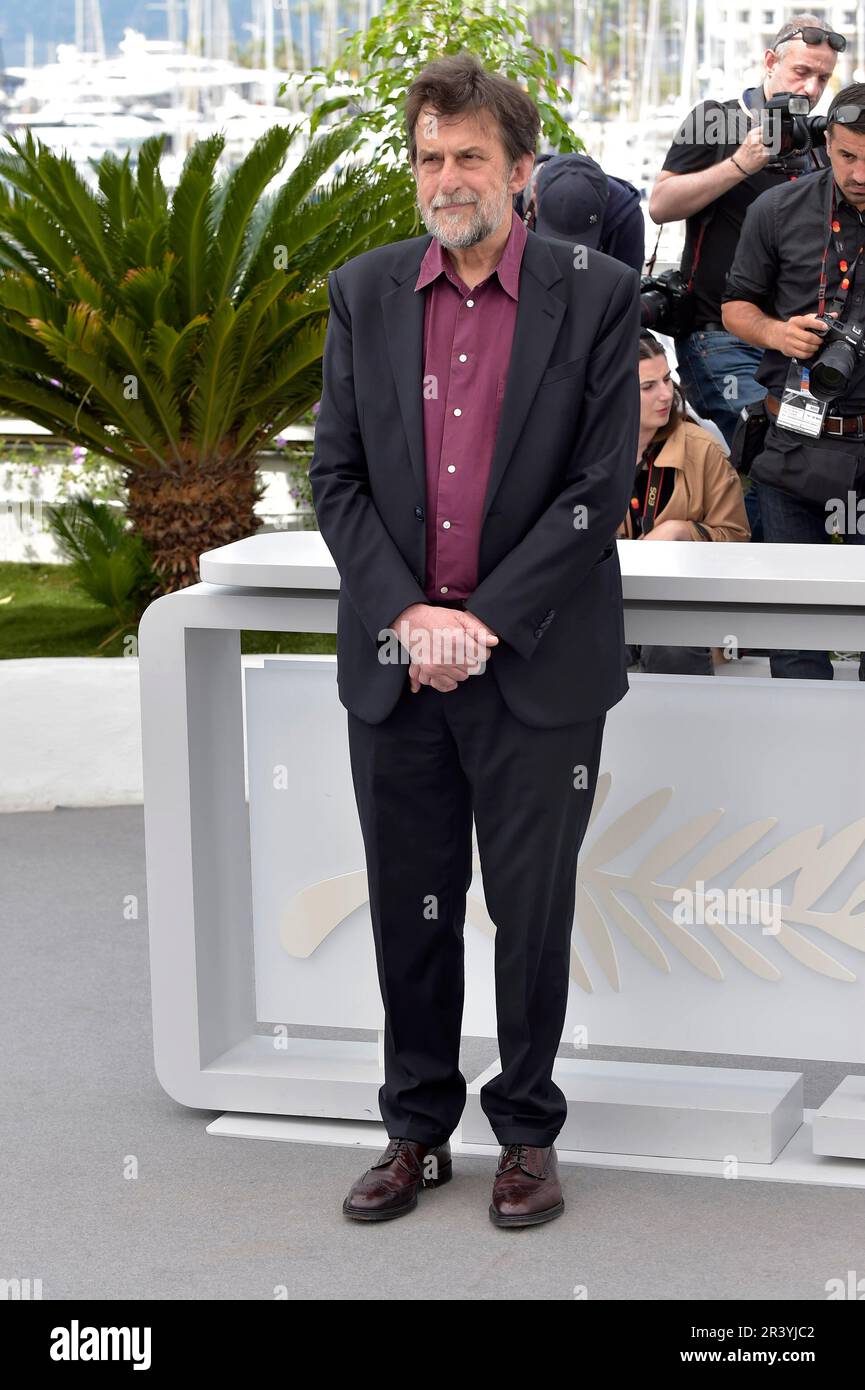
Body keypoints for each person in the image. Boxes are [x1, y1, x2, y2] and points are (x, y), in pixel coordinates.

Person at [309, 53, 640, 1228]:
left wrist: (481, 621)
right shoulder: (362, 291)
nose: (446, 178)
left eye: (469, 158)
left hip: (537, 670)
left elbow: (598, 492)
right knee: (413, 902)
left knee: (530, 909)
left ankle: (528, 1134)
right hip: (398, 671)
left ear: (521, 171)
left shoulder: (595, 294)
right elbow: (335, 482)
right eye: (428, 157)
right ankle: (414, 1129)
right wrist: (410, 616)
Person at [650, 13, 842, 541]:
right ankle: (754, 581)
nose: (811, 87)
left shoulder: (820, 139)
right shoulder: (717, 118)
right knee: (770, 447)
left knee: (807, 450)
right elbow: (661, 204)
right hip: (720, 333)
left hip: (796, 342)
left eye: (824, 78)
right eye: (802, 71)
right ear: (769, 62)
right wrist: (741, 163)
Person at [722, 82, 865, 681]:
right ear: (827, 143)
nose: (861, 173)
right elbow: (734, 308)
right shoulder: (775, 210)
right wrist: (778, 335)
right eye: (849, 155)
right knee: (794, 634)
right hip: (794, 442)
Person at [619, 331, 751, 675]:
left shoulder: (701, 447)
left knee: (670, 646)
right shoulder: (586, 450)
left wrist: (683, 532)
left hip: (679, 600)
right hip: (607, 598)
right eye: (648, 387)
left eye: (667, 380)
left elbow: (738, 541)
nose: (666, 395)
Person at [517, 150, 645, 272]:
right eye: (554, 234)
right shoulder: (509, 200)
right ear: (534, 195)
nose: (567, 253)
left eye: (579, 242)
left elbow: (627, 291)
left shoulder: (626, 217)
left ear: (606, 201)